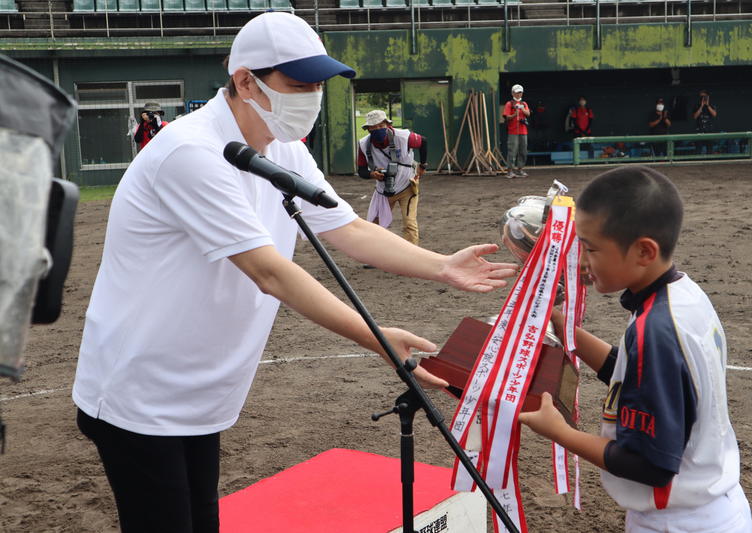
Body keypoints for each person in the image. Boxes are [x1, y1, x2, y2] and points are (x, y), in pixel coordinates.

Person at [72, 13, 518, 533]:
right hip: (141, 390)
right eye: (298, 84)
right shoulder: (188, 153)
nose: (311, 96)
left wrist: (442, 266)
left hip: (203, 390)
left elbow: (348, 228)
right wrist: (376, 338)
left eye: (317, 85)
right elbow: (271, 273)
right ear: (245, 80)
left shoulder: (284, 148)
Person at [519, 166, 752, 533]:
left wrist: (560, 433)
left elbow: (649, 466)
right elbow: (631, 374)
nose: (582, 261)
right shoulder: (680, 297)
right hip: (707, 506)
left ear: (644, 251)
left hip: (679, 521)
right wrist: (562, 325)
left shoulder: (656, 330)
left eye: (591, 248)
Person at [356, 109, 427, 246]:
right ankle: (375, 256)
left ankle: (412, 257)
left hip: (407, 186)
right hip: (384, 190)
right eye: (374, 127)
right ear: (368, 129)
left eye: (381, 126)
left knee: (409, 223)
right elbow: (362, 171)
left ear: (388, 125)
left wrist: (422, 165)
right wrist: (372, 174)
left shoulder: (403, 137)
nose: (378, 129)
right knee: (375, 224)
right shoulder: (364, 144)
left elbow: (423, 141)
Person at [502, 84, 530, 178]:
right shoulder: (509, 104)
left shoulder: (524, 104)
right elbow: (506, 117)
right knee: (512, 151)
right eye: (517, 92)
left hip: (523, 131)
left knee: (523, 151)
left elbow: (528, 114)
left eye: (520, 92)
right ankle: (510, 170)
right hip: (513, 131)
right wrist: (515, 114)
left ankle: (520, 169)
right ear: (513, 93)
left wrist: (522, 108)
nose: (519, 94)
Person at [692, 90, 717, 156]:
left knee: (710, 148)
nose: (703, 98)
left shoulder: (711, 104)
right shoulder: (697, 105)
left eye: (704, 96)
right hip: (699, 129)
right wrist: (701, 106)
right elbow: (695, 117)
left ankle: (710, 162)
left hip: (709, 129)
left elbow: (714, 114)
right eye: (701, 96)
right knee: (698, 148)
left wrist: (707, 105)